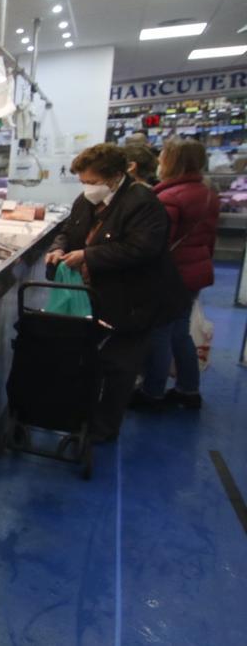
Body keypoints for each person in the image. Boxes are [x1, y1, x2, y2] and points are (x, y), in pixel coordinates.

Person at [44, 143, 187, 442]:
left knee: (121, 365)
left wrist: (88, 256)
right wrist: (59, 248)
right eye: (83, 181)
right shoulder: (85, 202)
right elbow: (70, 231)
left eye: (93, 182)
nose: (87, 188)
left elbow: (141, 249)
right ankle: (83, 414)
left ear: (116, 177)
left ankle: (104, 429)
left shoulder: (142, 202)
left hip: (137, 300)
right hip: (99, 296)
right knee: (91, 359)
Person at [133, 140, 220, 410]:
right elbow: (210, 237)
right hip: (195, 269)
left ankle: (152, 392)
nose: (159, 163)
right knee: (180, 333)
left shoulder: (169, 197)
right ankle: (188, 389)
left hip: (171, 275)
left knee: (159, 333)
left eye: (162, 158)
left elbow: (156, 244)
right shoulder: (207, 192)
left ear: (172, 162)